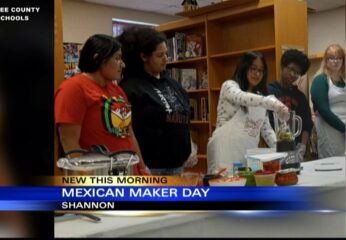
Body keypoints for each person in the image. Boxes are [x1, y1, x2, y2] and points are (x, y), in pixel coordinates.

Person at [55, 34, 148, 174]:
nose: (123, 64)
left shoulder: (117, 90)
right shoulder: (73, 88)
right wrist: (86, 179)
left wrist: (142, 167)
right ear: (98, 58)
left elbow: (129, 134)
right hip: (98, 175)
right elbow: (69, 142)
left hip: (127, 172)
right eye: (117, 58)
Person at [117, 27, 194, 176]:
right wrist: (142, 167)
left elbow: (183, 119)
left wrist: (189, 145)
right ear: (144, 56)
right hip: (151, 168)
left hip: (177, 166)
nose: (166, 59)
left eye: (166, 53)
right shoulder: (130, 88)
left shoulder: (173, 84)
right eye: (160, 55)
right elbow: (128, 132)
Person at [207, 52, 289, 175]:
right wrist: (270, 102)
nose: (257, 74)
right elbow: (242, 97)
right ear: (244, 67)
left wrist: (283, 152)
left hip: (247, 156)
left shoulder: (260, 97)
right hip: (224, 154)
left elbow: (266, 130)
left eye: (261, 71)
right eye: (253, 69)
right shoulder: (229, 86)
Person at [267, 49, 313, 162]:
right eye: (291, 69)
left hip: (295, 150)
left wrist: (302, 148)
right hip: (272, 148)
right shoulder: (268, 91)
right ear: (283, 66)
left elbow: (307, 125)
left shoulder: (300, 97)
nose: (293, 75)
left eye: (297, 73)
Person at [310, 44, 346, 159]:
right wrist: (345, 128)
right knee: (334, 163)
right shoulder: (320, 80)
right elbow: (324, 110)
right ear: (326, 60)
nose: (336, 61)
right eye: (332, 58)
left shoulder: (345, 79)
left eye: (339, 58)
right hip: (330, 128)